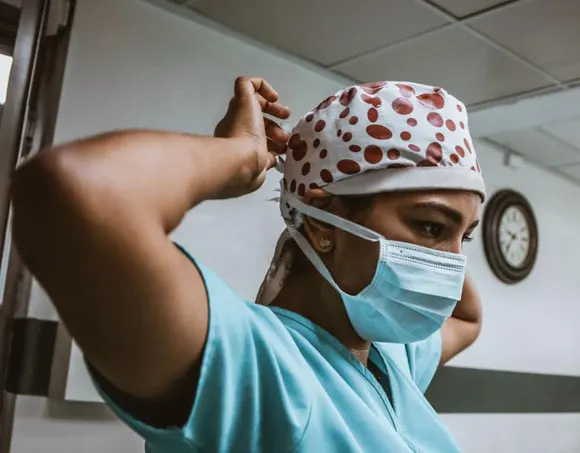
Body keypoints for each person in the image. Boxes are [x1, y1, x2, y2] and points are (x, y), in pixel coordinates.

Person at [11, 77, 484, 453]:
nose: (453, 267)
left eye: (465, 236)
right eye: (429, 227)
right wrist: (242, 157)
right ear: (326, 224)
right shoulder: (257, 368)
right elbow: (77, 191)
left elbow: (467, 318)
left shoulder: (389, 358)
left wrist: (446, 218)